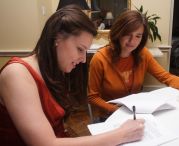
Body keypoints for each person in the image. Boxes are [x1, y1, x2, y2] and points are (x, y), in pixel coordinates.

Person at [0, 6, 145, 146]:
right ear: (56, 37)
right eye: (80, 49)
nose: (83, 59)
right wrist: (121, 135)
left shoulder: (54, 71)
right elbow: (45, 143)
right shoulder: (16, 74)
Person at [88, 10, 179, 119]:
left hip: (134, 113)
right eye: (127, 34)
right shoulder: (100, 58)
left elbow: (166, 77)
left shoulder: (143, 54)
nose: (132, 41)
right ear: (118, 33)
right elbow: (93, 97)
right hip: (110, 116)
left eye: (138, 36)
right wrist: (116, 111)